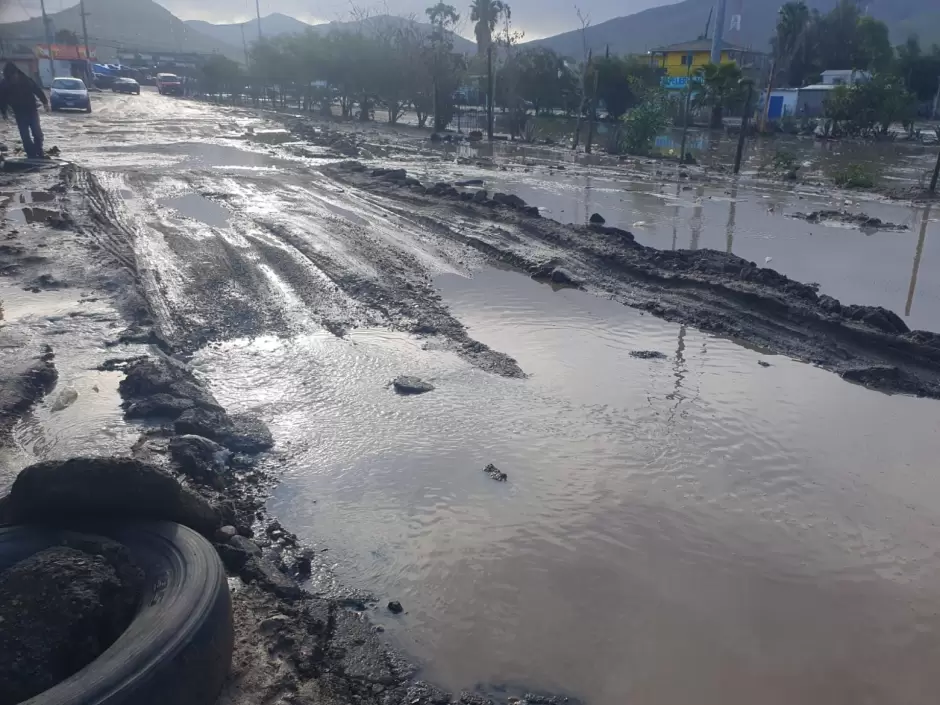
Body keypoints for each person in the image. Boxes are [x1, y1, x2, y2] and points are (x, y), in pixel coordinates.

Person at [0, 62, 49, 159]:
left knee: (37, 133)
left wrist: (45, 103)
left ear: (17, 73)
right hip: (19, 113)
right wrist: (4, 112)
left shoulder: (26, 80)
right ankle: (31, 154)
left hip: (32, 111)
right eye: (10, 77)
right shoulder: (4, 84)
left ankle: (39, 151)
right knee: (25, 136)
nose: (13, 79)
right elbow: (2, 99)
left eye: (13, 76)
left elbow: (37, 90)